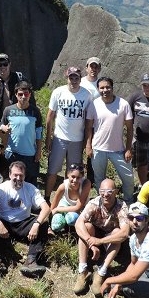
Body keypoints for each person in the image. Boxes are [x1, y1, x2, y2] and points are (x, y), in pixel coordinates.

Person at [0, 161, 51, 277]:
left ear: (25, 175)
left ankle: (31, 260)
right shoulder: (1, 188)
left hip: (23, 224)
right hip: (5, 225)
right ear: (9, 175)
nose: (18, 178)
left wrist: (36, 224)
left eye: (21, 175)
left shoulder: (31, 188)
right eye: (15, 175)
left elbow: (46, 208)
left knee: (43, 223)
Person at [73, 179, 130, 295]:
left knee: (117, 232)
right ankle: (83, 270)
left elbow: (124, 233)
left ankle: (101, 272)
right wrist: (91, 242)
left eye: (109, 191)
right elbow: (78, 223)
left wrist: (100, 241)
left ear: (116, 192)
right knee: (86, 226)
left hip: (110, 238)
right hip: (96, 233)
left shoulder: (121, 206)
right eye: (102, 191)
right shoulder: (94, 203)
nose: (105, 194)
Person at [44, 66, 92, 200]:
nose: (74, 80)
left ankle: (68, 199)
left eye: (76, 77)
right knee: (53, 170)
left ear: (80, 79)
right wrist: (48, 137)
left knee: (73, 173)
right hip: (59, 138)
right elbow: (50, 117)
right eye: (71, 77)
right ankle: (47, 197)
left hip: (77, 140)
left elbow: (89, 120)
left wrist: (87, 141)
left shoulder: (86, 94)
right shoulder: (58, 92)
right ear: (67, 78)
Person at [85, 77, 134, 203]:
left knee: (128, 178)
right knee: (99, 178)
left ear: (112, 88)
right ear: (98, 89)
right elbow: (89, 127)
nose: (105, 90)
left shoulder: (123, 104)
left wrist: (128, 148)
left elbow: (129, 128)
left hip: (118, 150)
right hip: (98, 149)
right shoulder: (94, 104)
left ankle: (128, 201)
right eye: (102, 88)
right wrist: (88, 145)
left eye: (107, 87)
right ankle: (103, 202)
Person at [0, 81, 43, 188]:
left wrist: (38, 151)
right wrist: (4, 128)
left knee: (29, 184)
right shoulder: (8, 110)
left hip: (30, 154)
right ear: (16, 95)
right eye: (20, 94)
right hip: (12, 153)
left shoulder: (35, 111)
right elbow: (1, 125)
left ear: (30, 95)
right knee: (11, 183)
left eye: (26, 94)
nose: (23, 97)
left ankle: (30, 204)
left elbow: (39, 133)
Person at [0, 53, 33, 142]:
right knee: (0, 151)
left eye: (5, 64)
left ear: (9, 64)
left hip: (18, 120)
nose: (2, 67)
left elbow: (31, 100)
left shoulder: (19, 78)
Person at [49, 163, 91, 233]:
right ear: (68, 175)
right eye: (73, 177)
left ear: (82, 177)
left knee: (72, 218)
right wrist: (49, 224)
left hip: (79, 209)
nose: (75, 180)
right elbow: (53, 207)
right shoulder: (62, 186)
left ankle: (71, 229)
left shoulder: (86, 184)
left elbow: (78, 207)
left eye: (78, 178)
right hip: (65, 205)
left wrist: (58, 209)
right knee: (56, 224)